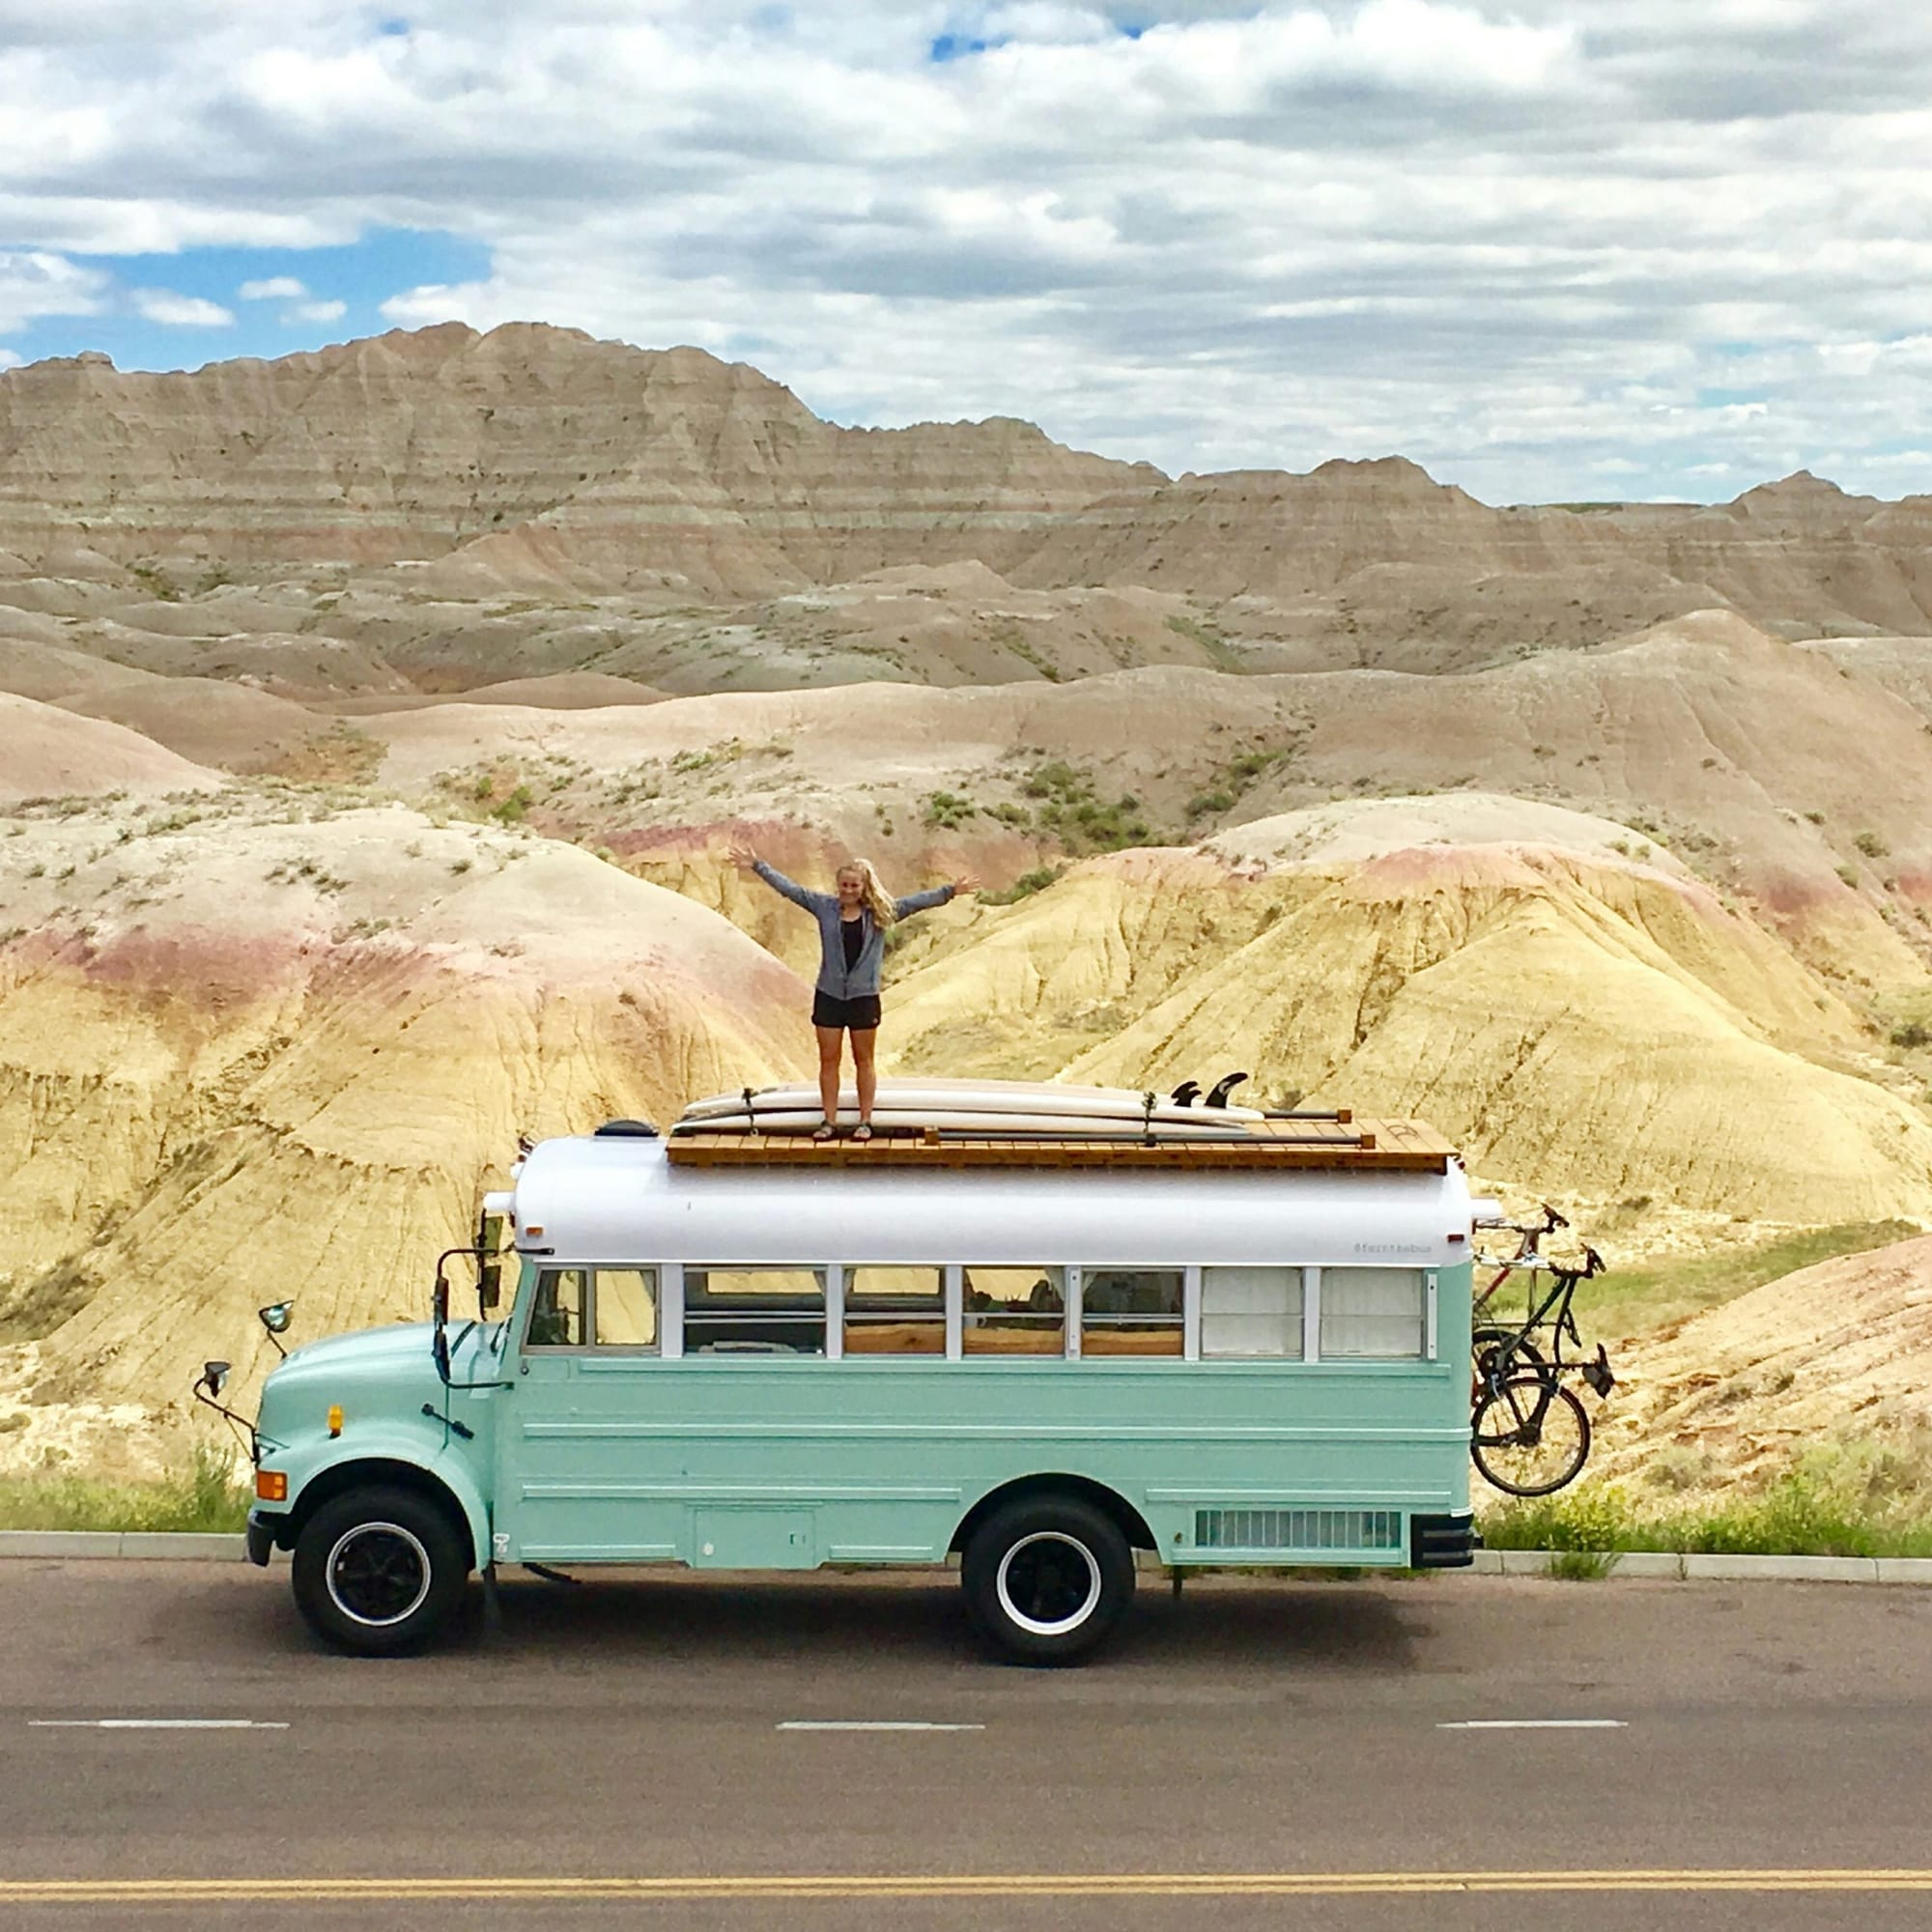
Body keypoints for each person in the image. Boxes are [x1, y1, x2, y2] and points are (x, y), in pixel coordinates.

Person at [727, 844, 976, 1139]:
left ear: (864, 886)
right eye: (844, 884)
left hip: (863, 998)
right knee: (828, 1060)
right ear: (838, 885)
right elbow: (790, 890)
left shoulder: (881, 914)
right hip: (830, 996)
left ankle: (865, 1121)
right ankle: (829, 1121)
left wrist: (950, 891)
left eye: (854, 885)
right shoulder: (824, 907)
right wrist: (758, 865)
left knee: (864, 1060)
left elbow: (918, 901)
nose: (848, 890)